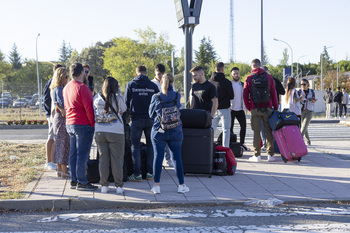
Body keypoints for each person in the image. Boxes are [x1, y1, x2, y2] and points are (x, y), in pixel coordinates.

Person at [149, 73, 189, 194]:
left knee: (158, 157)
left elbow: (150, 115)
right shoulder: (177, 95)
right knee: (176, 157)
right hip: (175, 130)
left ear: (161, 82)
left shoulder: (156, 96)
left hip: (159, 131)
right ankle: (181, 185)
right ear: (173, 82)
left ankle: (156, 186)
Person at [63, 63, 97, 191]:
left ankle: (74, 180)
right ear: (82, 72)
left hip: (70, 122)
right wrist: (92, 123)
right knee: (82, 154)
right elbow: (89, 108)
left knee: (73, 153)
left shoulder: (66, 87)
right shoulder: (83, 88)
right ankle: (82, 181)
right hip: (82, 123)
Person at [124, 65, 159, 182]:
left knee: (135, 146)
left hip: (136, 119)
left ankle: (137, 174)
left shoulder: (131, 85)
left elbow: (125, 103)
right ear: (146, 73)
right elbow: (158, 103)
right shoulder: (153, 86)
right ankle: (150, 173)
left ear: (136, 74)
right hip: (150, 119)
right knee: (151, 146)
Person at [94, 77, 127, 194]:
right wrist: (119, 93)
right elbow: (123, 109)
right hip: (116, 131)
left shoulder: (97, 98)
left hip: (100, 131)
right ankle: (118, 186)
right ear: (115, 87)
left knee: (103, 159)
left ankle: (104, 185)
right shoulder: (118, 98)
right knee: (117, 159)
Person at [243, 59, 279, 162]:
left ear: (253, 66)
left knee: (256, 132)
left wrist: (249, 107)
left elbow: (245, 95)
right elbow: (274, 94)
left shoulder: (249, 78)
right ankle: (270, 155)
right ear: (260, 66)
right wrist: (275, 108)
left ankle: (257, 155)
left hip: (255, 108)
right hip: (268, 108)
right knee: (268, 131)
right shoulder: (269, 77)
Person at [151, 63, 173, 167]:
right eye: (159, 73)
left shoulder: (167, 82)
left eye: (162, 74)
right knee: (159, 139)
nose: (160, 76)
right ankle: (158, 161)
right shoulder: (152, 84)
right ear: (155, 72)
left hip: (167, 116)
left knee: (167, 139)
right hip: (158, 118)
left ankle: (168, 159)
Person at [50, 67, 70, 178]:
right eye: (66, 77)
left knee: (59, 143)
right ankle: (63, 170)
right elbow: (62, 104)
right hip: (63, 118)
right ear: (61, 77)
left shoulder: (54, 88)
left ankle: (59, 169)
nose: (68, 79)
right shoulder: (60, 89)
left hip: (57, 118)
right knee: (64, 144)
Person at [208, 62, 234, 148]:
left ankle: (209, 148)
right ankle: (225, 149)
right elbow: (231, 95)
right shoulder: (226, 82)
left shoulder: (209, 82)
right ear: (222, 70)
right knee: (226, 130)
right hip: (224, 109)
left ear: (215, 69)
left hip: (213, 109)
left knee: (212, 129)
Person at [43, 64, 63, 171]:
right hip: (52, 114)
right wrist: (49, 114)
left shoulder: (57, 83)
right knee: (51, 137)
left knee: (54, 137)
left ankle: (53, 160)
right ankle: (48, 161)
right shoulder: (51, 83)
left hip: (54, 114)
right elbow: (46, 99)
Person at [260, 66, 285, 150]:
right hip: (265, 106)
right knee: (264, 125)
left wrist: (274, 86)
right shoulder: (258, 79)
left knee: (272, 125)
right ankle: (266, 143)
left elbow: (283, 92)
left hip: (273, 106)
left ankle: (274, 143)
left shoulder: (274, 80)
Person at [230, 67, 249, 151]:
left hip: (240, 109)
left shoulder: (242, 84)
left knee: (243, 126)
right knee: (230, 127)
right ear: (231, 75)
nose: (236, 75)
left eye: (237, 73)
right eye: (234, 74)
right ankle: (232, 143)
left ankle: (241, 143)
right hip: (231, 109)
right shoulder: (229, 84)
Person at [298, 79, 317, 146]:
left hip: (309, 110)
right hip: (301, 110)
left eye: (304, 84)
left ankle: (299, 140)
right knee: (303, 126)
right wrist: (300, 99)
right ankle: (308, 139)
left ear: (308, 84)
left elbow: (313, 99)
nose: (302, 86)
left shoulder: (311, 91)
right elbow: (296, 100)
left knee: (304, 125)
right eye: (301, 84)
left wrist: (313, 100)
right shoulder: (299, 91)